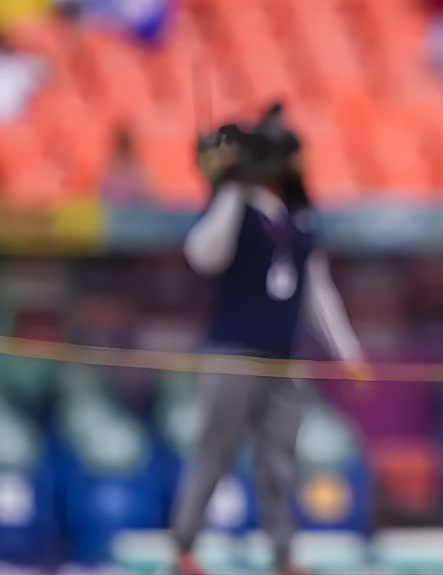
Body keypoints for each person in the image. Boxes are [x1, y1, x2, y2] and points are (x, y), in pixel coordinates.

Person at [172, 107, 367, 575]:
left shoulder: (297, 219)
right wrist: (231, 188)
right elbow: (203, 255)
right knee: (215, 451)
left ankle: (282, 553)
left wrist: (347, 353)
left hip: (284, 357)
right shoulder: (238, 207)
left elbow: (316, 291)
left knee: (279, 460)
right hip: (233, 353)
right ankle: (185, 547)